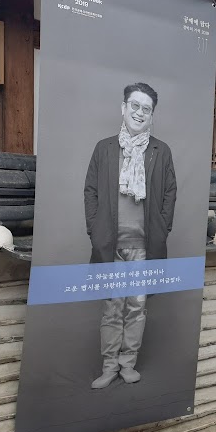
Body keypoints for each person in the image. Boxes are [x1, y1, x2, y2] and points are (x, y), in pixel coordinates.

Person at [84, 82, 177, 389]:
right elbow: (91, 191)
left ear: (152, 116)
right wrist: (95, 231)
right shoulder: (104, 148)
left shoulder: (160, 151)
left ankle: (128, 364)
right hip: (110, 244)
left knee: (136, 307)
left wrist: (162, 229)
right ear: (123, 108)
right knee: (112, 307)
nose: (139, 113)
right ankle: (109, 366)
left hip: (144, 245)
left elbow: (169, 193)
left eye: (146, 109)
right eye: (134, 106)